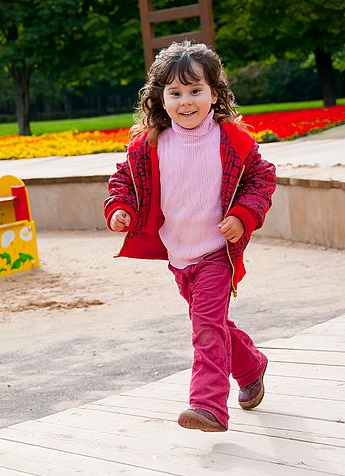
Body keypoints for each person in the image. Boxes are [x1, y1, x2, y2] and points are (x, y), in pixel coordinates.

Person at [104, 41, 276, 433]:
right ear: (159, 100)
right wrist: (121, 210)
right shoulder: (148, 146)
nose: (186, 101)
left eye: (196, 90)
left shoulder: (230, 140)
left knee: (205, 326)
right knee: (213, 324)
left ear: (214, 95)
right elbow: (123, 183)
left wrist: (243, 215)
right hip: (179, 256)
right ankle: (252, 366)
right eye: (176, 92)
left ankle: (208, 405)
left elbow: (262, 179)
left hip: (217, 252)